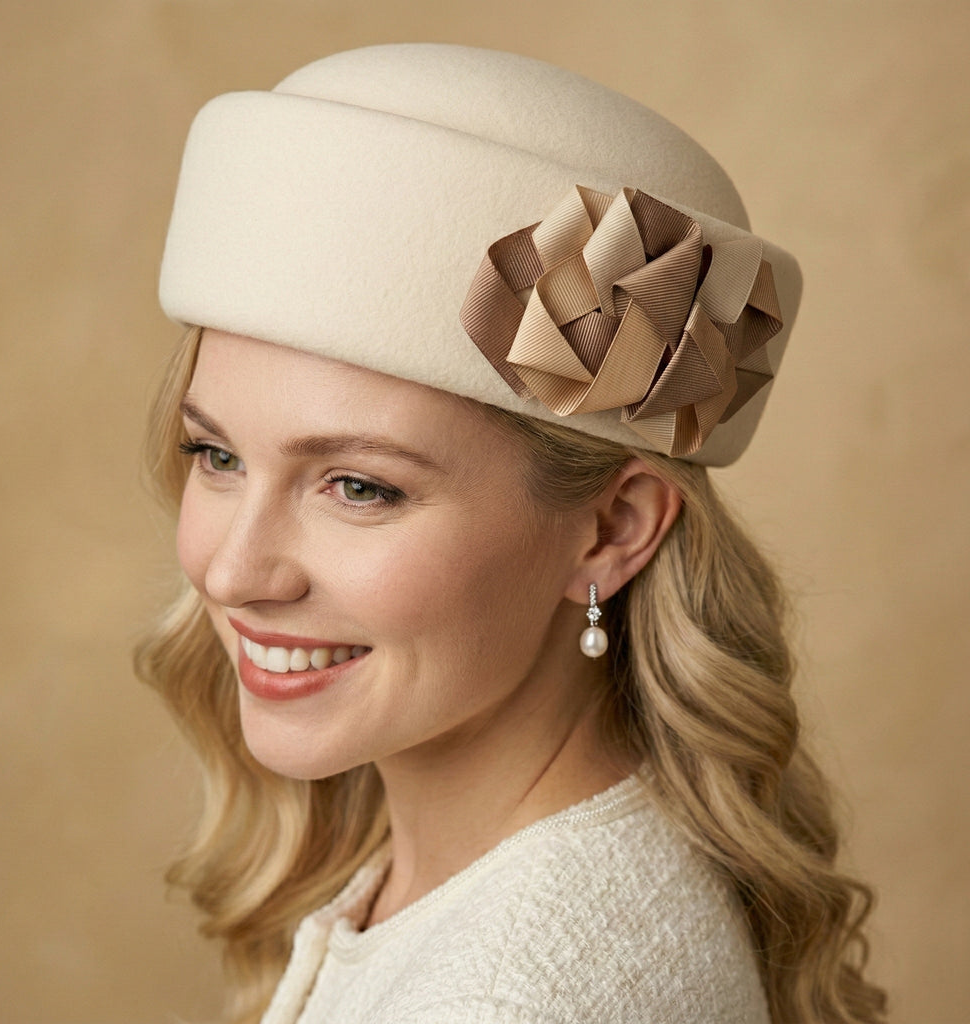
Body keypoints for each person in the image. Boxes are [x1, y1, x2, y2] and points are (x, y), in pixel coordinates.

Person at [137, 44, 886, 1024]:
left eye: (359, 486)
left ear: (611, 528)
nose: (233, 570)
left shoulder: (505, 997)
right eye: (217, 456)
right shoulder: (556, 882)